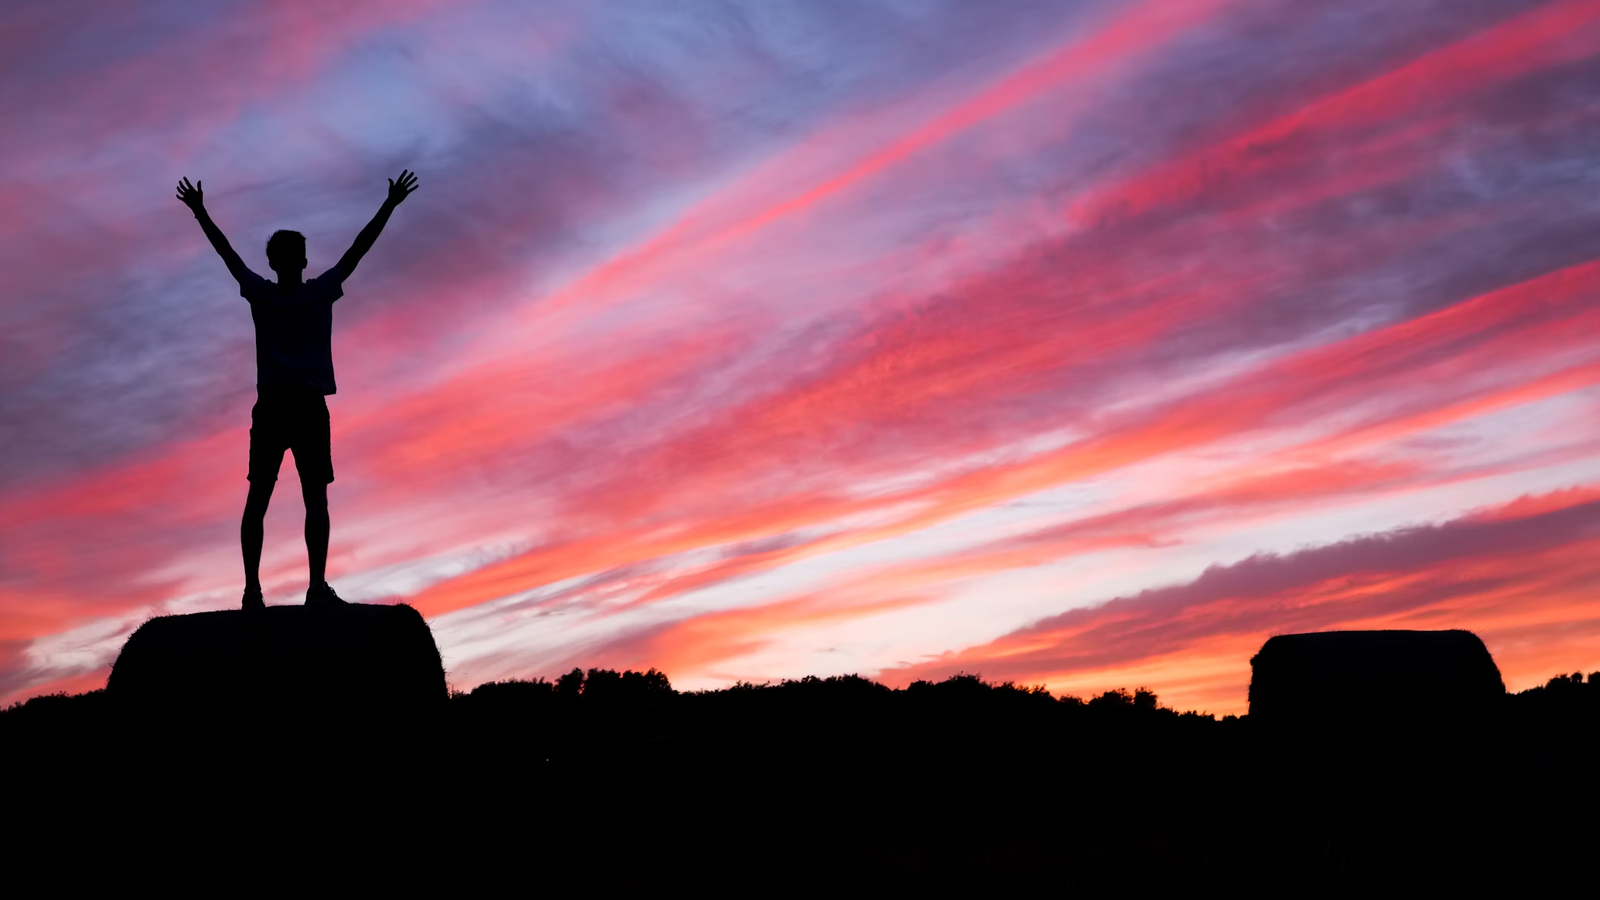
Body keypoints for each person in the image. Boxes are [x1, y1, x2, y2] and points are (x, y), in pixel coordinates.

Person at [176, 170, 418, 609]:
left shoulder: (261, 293)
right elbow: (358, 250)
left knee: (259, 498)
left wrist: (200, 211)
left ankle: (253, 590)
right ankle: (315, 587)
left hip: (272, 405)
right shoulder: (318, 292)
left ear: (273, 263)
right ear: (303, 261)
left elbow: (227, 253)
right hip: (306, 405)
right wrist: (390, 204)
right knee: (314, 500)